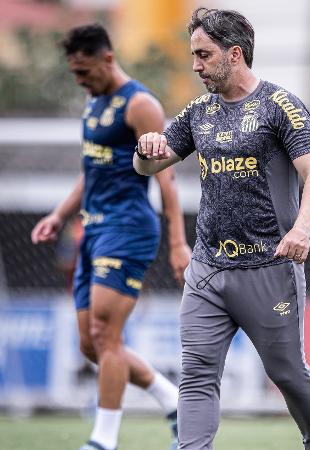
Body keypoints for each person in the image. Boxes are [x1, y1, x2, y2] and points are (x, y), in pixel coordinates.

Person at [134, 7, 310, 450]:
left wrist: (302, 230)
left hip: (269, 268)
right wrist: (144, 148)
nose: (196, 65)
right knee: (196, 375)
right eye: (194, 55)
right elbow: (150, 165)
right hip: (207, 269)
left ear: (234, 53)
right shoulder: (198, 112)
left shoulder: (279, 105)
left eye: (204, 55)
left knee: (286, 371)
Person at [31, 23, 191, 450]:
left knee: (106, 334)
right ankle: (170, 396)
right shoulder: (92, 102)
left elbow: (167, 178)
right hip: (93, 229)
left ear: (107, 58)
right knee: (91, 345)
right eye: (74, 74)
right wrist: (59, 214)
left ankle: (103, 441)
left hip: (128, 228)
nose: (80, 80)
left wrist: (178, 241)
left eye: (84, 72)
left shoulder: (140, 105)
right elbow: (92, 171)